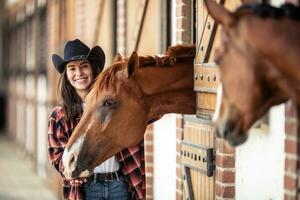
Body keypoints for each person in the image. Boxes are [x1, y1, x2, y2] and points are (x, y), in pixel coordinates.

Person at [48, 39, 145, 200]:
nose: (79, 73)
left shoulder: (115, 105)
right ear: (66, 74)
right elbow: (55, 154)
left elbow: (143, 115)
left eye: (84, 66)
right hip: (86, 189)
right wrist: (68, 171)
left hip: (120, 183)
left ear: (93, 68)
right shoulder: (59, 115)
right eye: (72, 68)